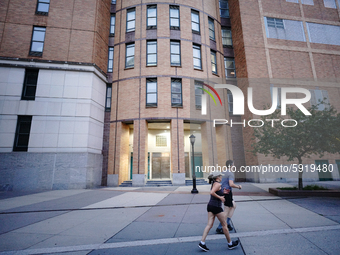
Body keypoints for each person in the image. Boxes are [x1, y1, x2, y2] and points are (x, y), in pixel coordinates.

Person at [198, 171, 239, 252]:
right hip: (216, 207)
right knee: (224, 225)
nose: (221, 178)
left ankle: (202, 242)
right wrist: (220, 198)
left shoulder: (214, 183)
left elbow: (216, 191)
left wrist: (225, 192)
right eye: (220, 176)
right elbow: (212, 192)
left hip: (210, 206)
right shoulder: (218, 184)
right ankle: (230, 244)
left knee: (209, 225)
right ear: (217, 177)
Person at [216, 160, 242, 234]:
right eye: (233, 165)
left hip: (223, 191)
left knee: (233, 205)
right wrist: (238, 186)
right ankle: (220, 227)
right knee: (226, 210)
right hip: (227, 192)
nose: (234, 166)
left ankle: (227, 223)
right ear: (231, 165)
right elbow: (231, 184)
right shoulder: (230, 173)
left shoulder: (223, 172)